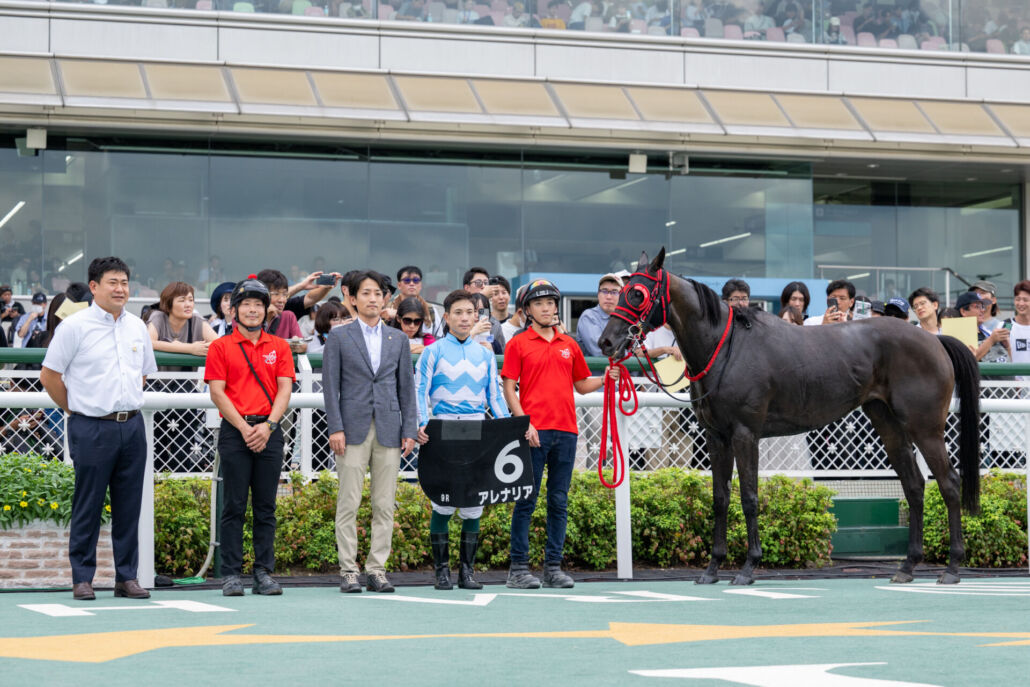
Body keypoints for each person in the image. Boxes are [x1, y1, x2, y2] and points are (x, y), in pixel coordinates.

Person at [39, 257, 157, 602]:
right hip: (90, 426)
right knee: (88, 503)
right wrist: (76, 409)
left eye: (124, 282)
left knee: (129, 505)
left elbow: (142, 374)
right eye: (112, 282)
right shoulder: (74, 327)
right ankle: (82, 577)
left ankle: (127, 577)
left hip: (131, 425)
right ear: (94, 287)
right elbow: (49, 376)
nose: (120, 289)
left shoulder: (137, 327)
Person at [501, 279, 617, 589]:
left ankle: (553, 568)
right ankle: (518, 569)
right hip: (532, 432)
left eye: (551, 302)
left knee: (559, 501)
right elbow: (509, 388)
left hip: (566, 431)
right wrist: (524, 423)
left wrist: (606, 378)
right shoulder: (518, 343)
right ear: (527, 310)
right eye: (539, 303)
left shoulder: (569, 344)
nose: (547, 308)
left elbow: (581, 385)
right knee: (525, 500)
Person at [322, 270, 418, 594]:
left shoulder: (398, 339)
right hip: (351, 428)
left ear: (385, 298)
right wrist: (335, 427)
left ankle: (377, 570)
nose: (373, 299)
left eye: (378, 293)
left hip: (390, 427)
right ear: (352, 298)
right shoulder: (339, 336)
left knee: (384, 504)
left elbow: (406, 388)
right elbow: (330, 388)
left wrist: (409, 428)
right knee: (348, 501)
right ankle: (348, 570)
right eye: (365, 293)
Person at [204, 276, 295, 596]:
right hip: (235, 431)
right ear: (234, 311)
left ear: (266, 310)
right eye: (246, 305)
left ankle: (263, 572)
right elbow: (217, 392)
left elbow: (285, 389)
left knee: (266, 505)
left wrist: (268, 426)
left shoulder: (280, 346)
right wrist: (244, 428)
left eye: (259, 304)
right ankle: (231, 574)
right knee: (234, 504)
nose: (253, 310)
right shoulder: (220, 347)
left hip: (269, 430)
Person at [415, 290, 510, 590]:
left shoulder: (485, 354)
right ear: (446, 317)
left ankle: (467, 573)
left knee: (473, 503)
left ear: (476, 316)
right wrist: (421, 423)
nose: (465, 318)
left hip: (476, 430)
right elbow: (419, 391)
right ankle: (441, 572)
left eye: (470, 312)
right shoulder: (433, 351)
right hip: (442, 429)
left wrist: (507, 428)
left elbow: (495, 395)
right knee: (441, 503)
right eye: (458, 312)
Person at [147, 282, 217, 356]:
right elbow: (149, 342)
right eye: (182, 300)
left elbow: (220, 344)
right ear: (168, 304)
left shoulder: (197, 320)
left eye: (191, 300)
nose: (188, 305)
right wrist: (190, 348)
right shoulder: (158, 317)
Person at [255, 269, 307, 354]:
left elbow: (303, 346)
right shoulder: (246, 317)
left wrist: (297, 345)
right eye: (276, 294)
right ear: (261, 295)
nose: (282, 300)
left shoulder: (288, 317)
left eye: (284, 294)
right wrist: (265, 316)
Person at [576, 273, 621, 358]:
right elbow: (601, 352)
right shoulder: (589, 316)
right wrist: (628, 354)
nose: (608, 297)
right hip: (599, 367)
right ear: (598, 294)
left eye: (614, 292)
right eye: (604, 291)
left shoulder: (626, 319)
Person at [393, 265, 444, 337]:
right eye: (407, 280)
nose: (411, 283)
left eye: (416, 280)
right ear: (399, 285)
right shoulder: (388, 308)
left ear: (420, 285)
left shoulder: (430, 310)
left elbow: (439, 337)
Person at [1006, 281, 1030, 365]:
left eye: (1025, 300)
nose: (1021, 303)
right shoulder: (1007, 325)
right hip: (1013, 374)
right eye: (1017, 299)